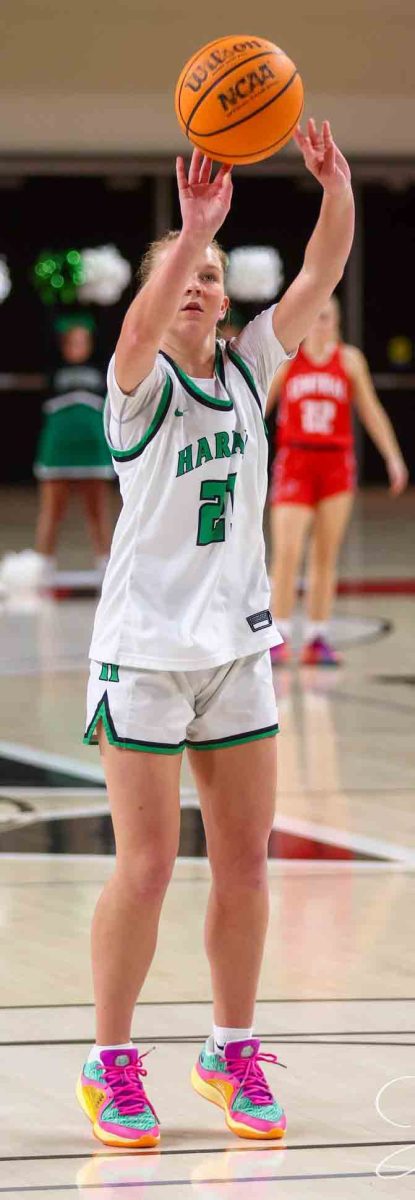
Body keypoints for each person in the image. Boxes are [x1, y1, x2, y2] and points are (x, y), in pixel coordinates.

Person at [77, 119, 355, 1149]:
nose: (197, 281)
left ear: (227, 296)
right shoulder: (134, 386)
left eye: (210, 273)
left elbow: (323, 272)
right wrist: (192, 230)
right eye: (179, 271)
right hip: (145, 656)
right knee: (145, 867)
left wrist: (333, 190)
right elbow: (138, 332)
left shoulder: (247, 372)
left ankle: (227, 1048)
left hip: (236, 654)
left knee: (246, 865)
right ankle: (111, 1067)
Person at [267, 296, 408, 665]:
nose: (319, 323)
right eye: (313, 316)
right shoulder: (288, 359)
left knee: (325, 555)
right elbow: (259, 406)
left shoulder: (349, 360)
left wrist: (393, 457)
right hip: (295, 460)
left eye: (326, 316)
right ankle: (276, 633)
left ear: (338, 321)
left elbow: (371, 410)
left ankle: (317, 638)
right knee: (287, 552)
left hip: (335, 464)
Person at [0, 315, 114, 593]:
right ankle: (43, 568)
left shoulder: (102, 370)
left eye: (82, 340)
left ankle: (107, 568)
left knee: (97, 511)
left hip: (92, 448)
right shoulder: (51, 369)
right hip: (58, 448)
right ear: (61, 344)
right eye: (71, 341)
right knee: (52, 511)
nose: (76, 345)